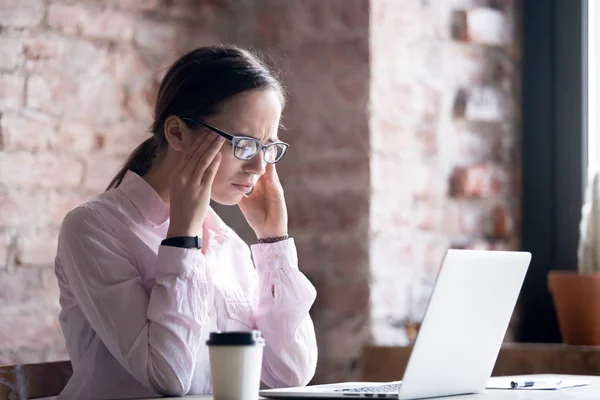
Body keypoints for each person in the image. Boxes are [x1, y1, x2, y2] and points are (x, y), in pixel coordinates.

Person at [54, 45, 318, 399]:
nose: (258, 167)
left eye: (267, 147)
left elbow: (292, 372)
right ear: (178, 133)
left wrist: (274, 243)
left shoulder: (226, 243)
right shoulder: (93, 228)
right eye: (243, 144)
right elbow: (171, 379)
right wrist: (182, 241)